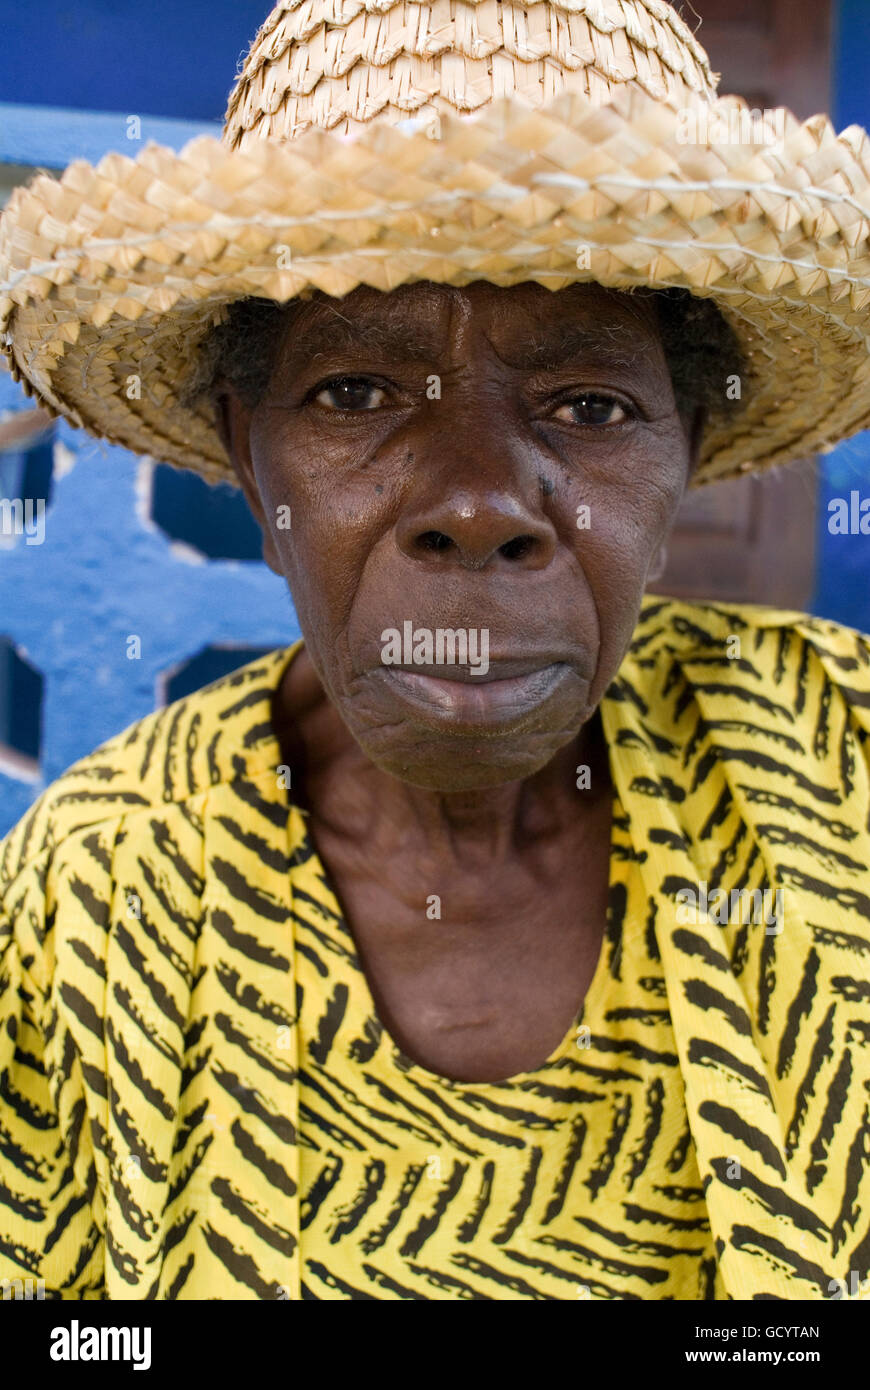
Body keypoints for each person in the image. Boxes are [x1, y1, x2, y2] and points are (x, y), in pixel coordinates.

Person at [2, 0, 870, 1301]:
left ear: (685, 449)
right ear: (250, 454)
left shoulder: (843, 764)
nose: (476, 504)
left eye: (588, 405)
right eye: (354, 394)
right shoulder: (86, 897)